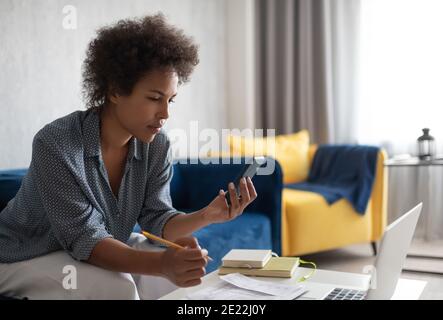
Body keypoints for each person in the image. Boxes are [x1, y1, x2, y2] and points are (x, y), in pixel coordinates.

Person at [0, 14, 257, 300]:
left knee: (182, 284)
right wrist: (162, 264)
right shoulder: (56, 143)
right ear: (115, 90)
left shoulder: (156, 146)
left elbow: (158, 220)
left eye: (169, 100)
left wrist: (208, 215)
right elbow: (86, 239)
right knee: (118, 287)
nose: (165, 114)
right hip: (24, 254)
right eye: (154, 98)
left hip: (94, 245)